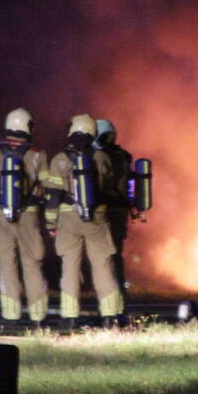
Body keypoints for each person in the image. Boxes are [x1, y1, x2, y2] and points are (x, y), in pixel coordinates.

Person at [0, 108, 50, 325]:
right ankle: (38, 315)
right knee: (32, 264)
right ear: (27, 125)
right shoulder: (37, 153)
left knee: (6, 264)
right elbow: (46, 185)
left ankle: (10, 315)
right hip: (29, 215)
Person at [45, 114, 124, 326]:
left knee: (70, 267)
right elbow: (109, 189)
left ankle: (70, 316)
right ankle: (110, 315)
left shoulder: (59, 159)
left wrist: (51, 224)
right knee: (103, 265)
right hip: (97, 218)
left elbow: (53, 195)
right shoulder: (101, 158)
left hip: (68, 219)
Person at [94, 118, 134, 296]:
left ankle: (110, 299)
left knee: (104, 257)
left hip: (105, 210)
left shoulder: (100, 157)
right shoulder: (123, 156)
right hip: (122, 211)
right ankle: (121, 296)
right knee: (117, 255)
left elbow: (100, 186)